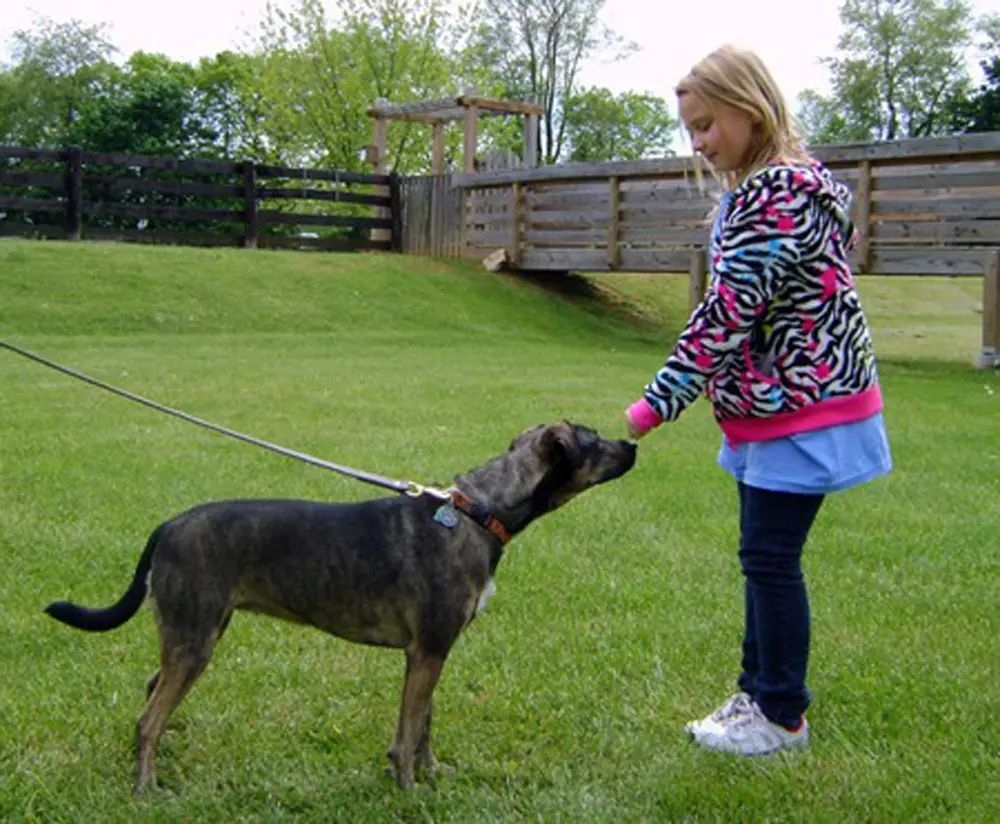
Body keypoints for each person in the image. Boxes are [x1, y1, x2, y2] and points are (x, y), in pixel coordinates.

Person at [624, 44, 892, 756]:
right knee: (763, 554)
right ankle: (759, 693)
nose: (700, 142)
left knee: (770, 558)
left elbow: (726, 314)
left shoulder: (772, 198)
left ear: (751, 108)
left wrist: (656, 403)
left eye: (708, 124)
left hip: (795, 411)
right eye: (690, 130)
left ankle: (780, 715)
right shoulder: (795, 187)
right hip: (778, 407)